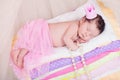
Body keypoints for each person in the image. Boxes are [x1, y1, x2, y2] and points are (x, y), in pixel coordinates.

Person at [10, 5, 105, 71]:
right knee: (31, 44)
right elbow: (66, 39)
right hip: (44, 32)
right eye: (87, 29)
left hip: (47, 39)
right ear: (82, 20)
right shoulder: (74, 26)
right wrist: (75, 47)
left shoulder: (79, 32)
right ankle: (20, 56)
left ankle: (17, 53)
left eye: (91, 35)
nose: (86, 34)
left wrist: (80, 40)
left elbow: (74, 39)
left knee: (34, 47)